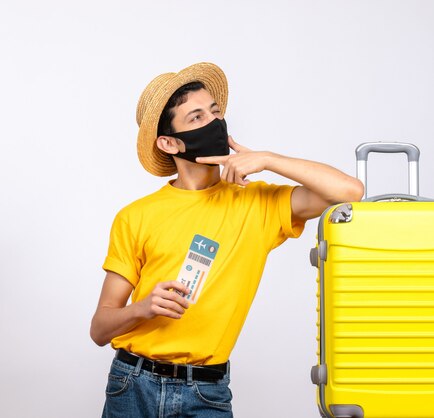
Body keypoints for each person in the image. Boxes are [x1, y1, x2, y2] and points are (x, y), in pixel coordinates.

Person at [90, 62, 363, 417]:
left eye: (215, 112)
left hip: (206, 393)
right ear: (170, 142)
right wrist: (144, 307)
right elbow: (100, 328)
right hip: (131, 384)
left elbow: (349, 192)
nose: (214, 122)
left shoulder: (256, 203)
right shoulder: (136, 216)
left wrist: (266, 159)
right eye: (197, 117)